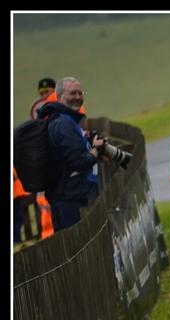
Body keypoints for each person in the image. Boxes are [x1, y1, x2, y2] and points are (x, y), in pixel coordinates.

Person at [37, 76, 105, 232]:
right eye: (72, 93)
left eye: (80, 93)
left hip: (68, 197)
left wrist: (86, 139)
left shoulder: (63, 120)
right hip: (71, 201)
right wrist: (96, 150)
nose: (78, 97)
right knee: (79, 248)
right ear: (60, 96)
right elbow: (80, 162)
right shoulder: (64, 123)